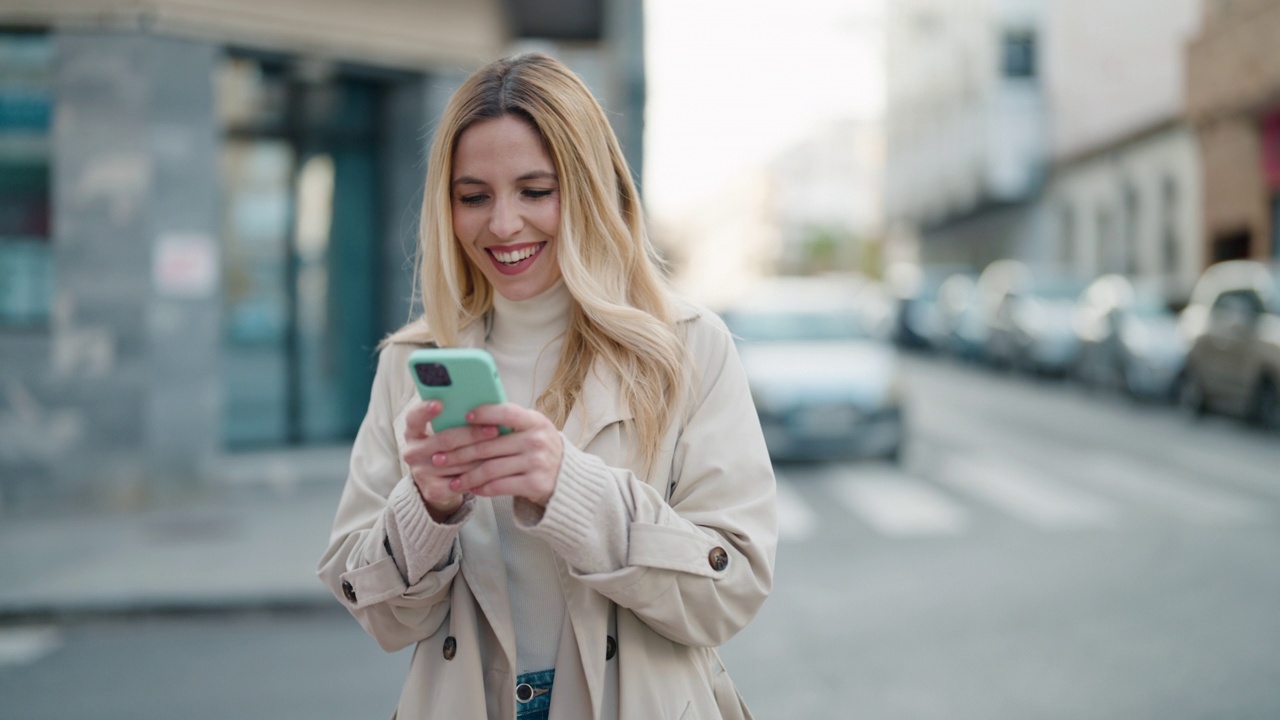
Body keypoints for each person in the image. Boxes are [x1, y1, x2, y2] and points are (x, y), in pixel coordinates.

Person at [317, 52, 777, 720]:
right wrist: (428, 508)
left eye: (536, 191)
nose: (503, 225)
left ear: (590, 188)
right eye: (473, 196)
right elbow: (383, 619)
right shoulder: (414, 364)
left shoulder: (685, 348)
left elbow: (730, 589)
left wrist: (570, 488)